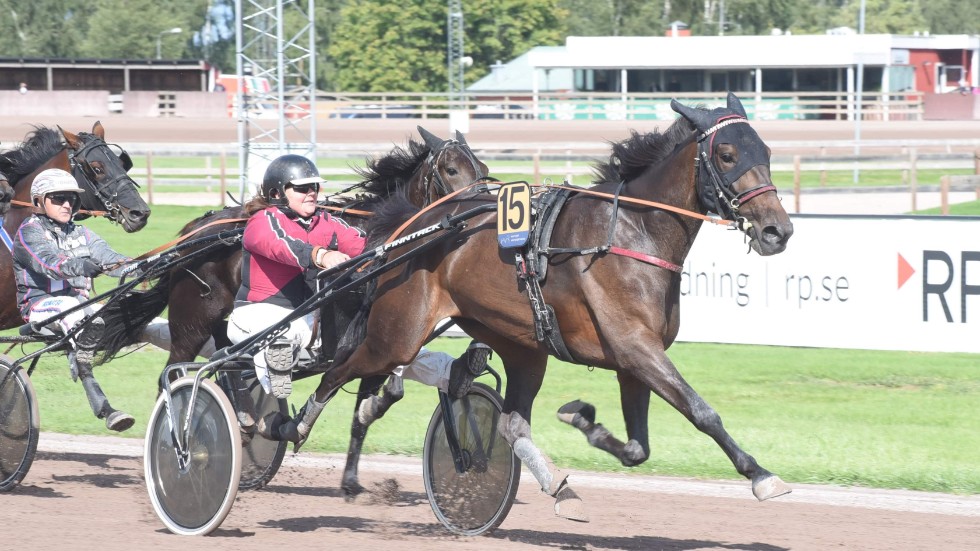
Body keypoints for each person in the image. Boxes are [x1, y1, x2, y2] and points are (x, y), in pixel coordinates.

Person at [226, 154, 490, 404]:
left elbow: (367, 246)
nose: (311, 194)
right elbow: (280, 246)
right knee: (282, 337)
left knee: (385, 344)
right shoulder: (262, 221)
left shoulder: (326, 222)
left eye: (314, 187)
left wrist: (411, 249)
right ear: (276, 193)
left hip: (309, 324)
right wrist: (322, 255)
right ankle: (274, 374)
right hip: (256, 316)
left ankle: (450, 371)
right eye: (302, 189)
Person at [12, 168, 137, 432]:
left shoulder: (83, 234)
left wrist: (144, 266)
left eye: (72, 199)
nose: (67, 204)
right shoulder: (28, 232)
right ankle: (104, 407)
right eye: (58, 198)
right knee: (75, 310)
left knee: (140, 316)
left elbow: (111, 259)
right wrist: (81, 265)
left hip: (80, 308)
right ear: (39, 201)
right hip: (40, 307)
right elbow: (50, 263)